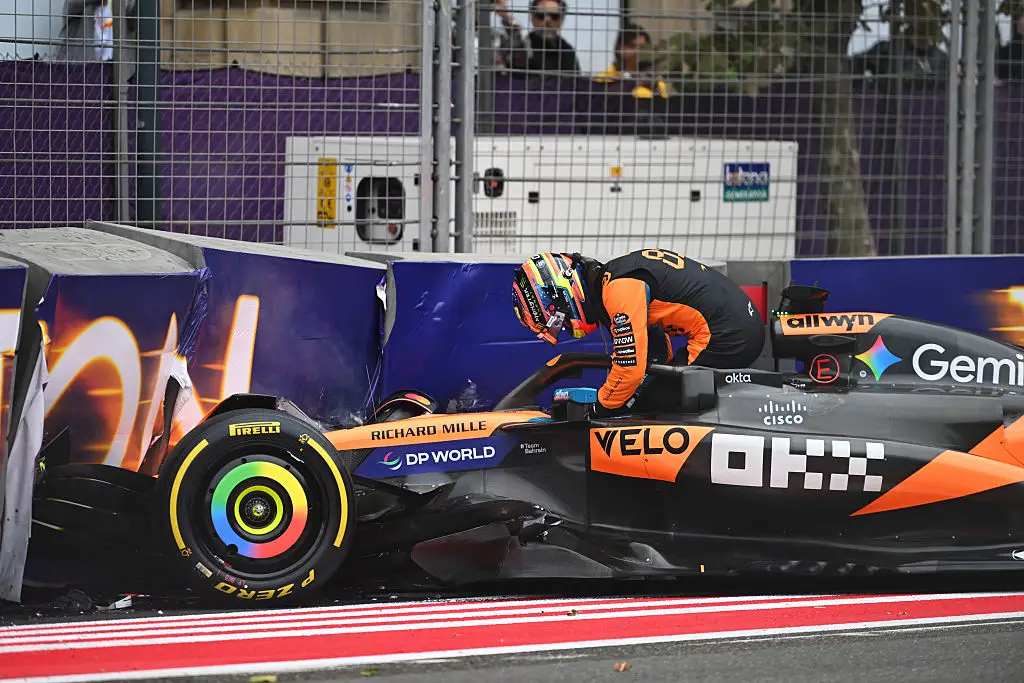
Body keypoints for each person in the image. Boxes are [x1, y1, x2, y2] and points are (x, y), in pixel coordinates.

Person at [512, 250, 764, 415]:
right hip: (739, 324)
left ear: (565, 294)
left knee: (655, 408)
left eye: (559, 321)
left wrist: (597, 409)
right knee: (650, 396)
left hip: (729, 335)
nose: (566, 327)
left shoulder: (618, 289)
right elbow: (656, 348)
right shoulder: (614, 278)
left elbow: (629, 369)